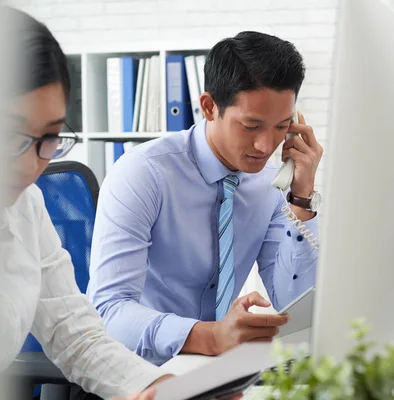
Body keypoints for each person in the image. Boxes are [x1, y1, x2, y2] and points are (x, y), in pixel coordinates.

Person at [87, 31, 324, 366]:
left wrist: (301, 198)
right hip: (140, 371)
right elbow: (107, 312)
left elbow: (291, 301)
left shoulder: (269, 186)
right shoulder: (144, 174)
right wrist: (209, 337)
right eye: (251, 126)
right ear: (210, 107)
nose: (265, 145)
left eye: (281, 127)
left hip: (219, 371)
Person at [0, 7, 171, 399]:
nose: (32, 167)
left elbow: (75, 335)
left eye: (49, 137)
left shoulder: (25, 205)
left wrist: (158, 388)